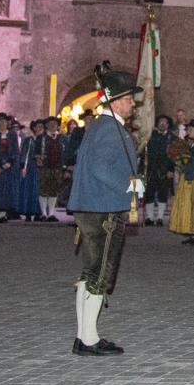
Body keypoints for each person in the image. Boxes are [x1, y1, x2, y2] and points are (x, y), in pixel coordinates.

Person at [68, 65, 144, 356]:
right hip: (104, 208)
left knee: (90, 273)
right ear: (113, 101)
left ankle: (84, 335)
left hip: (96, 206)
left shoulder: (103, 126)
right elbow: (100, 167)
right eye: (128, 99)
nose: (132, 104)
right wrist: (129, 186)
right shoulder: (110, 129)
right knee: (100, 274)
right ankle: (88, 340)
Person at [144, 115, 174, 228]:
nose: (162, 124)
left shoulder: (172, 138)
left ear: (168, 124)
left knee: (163, 194)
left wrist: (171, 169)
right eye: (160, 122)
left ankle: (160, 218)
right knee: (149, 194)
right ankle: (150, 218)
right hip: (151, 169)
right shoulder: (150, 136)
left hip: (165, 170)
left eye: (164, 122)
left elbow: (174, 156)